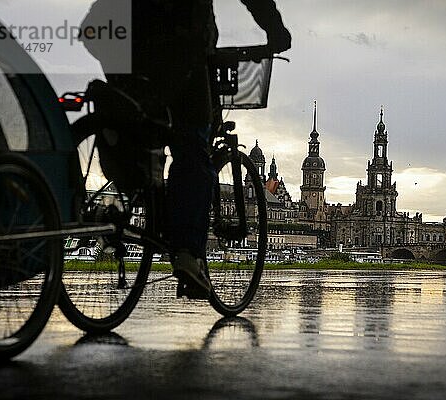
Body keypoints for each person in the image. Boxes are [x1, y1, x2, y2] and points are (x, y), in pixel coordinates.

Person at [80, 0, 291, 298]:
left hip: (106, 31)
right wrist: (276, 30)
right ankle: (189, 255)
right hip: (176, 46)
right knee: (193, 146)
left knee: (136, 118)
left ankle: (139, 197)